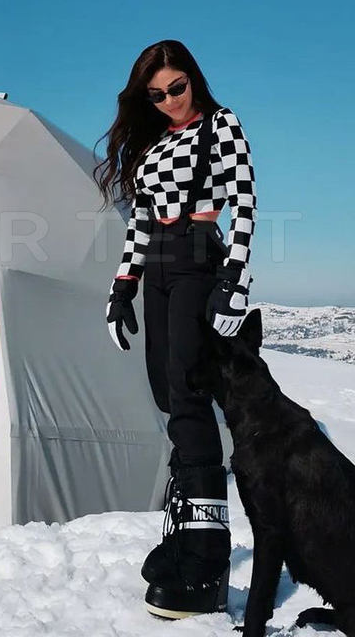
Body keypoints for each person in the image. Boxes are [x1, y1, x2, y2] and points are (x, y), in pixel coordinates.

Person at [92, 39, 257, 619]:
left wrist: (235, 277)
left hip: (197, 256)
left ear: (194, 80)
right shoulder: (152, 143)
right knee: (166, 392)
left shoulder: (220, 125)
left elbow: (245, 202)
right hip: (157, 264)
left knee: (188, 393)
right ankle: (186, 533)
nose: (169, 101)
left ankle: (208, 561)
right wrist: (123, 286)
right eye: (156, 95)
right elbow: (139, 220)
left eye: (177, 88)